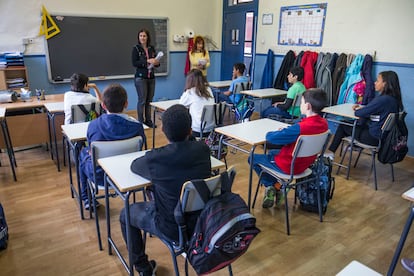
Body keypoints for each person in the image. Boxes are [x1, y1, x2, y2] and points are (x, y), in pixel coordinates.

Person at [120, 104, 212, 276]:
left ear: (162, 129)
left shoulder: (156, 158)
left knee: (125, 214)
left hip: (172, 228)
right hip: (203, 223)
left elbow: (134, 166)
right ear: (190, 130)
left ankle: (143, 269)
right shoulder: (203, 150)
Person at [250, 88, 329, 208]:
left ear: (307, 106)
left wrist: (278, 132)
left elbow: (271, 138)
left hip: (289, 165)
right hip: (305, 164)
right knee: (272, 152)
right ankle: (278, 186)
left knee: (252, 158)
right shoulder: (324, 124)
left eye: (301, 102)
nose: (300, 105)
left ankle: (272, 186)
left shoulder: (300, 128)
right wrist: (288, 132)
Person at [78, 84, 146, 210]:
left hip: (100, 177)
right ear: (126, 104)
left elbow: (90, 148)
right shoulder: (137, 127)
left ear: (103, 105)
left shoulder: (93, 125)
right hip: (129, 173)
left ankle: (87, 198)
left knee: (83, 153)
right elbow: (140, 149)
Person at [326, 70, 404, 158]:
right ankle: (355, 146)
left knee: (343, 125)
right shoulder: (393, 100)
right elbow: (376, 111)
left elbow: (358, 113)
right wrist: (365, 108)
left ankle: (331, 153)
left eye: (377, 81)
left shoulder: (382, 100)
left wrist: (363, 109)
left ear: (385, 84)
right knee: (360, 123)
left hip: (372, 138)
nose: (375, 83)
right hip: (383, 138)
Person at [132, 29, 160, 128]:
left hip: (151, 77)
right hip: (141, 78)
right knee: (142, 100)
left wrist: (156, 62)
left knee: (149, 101)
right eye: (141, 36)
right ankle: (140, 121)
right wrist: (147, 61)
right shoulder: (136, 48)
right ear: (138, 37)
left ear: (147, 37)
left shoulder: (151, 48)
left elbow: (156, 62)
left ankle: (149, 121)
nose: (142, 38)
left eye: (144, 36)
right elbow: (134, 63)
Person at [179, 69, 215, 138]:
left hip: (198, 128)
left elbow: (181, 104)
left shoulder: (190, 92)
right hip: (211, 126)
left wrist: (186, 90)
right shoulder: (208, 89)